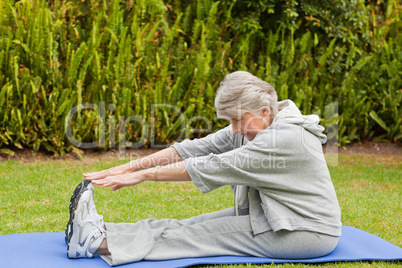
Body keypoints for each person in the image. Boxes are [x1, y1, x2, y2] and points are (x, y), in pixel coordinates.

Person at [65, 71, 342, 266]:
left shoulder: (283, 138)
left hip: (304, 231)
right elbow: (195, 148)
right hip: (275, 214)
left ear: (265, 111)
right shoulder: (257, 121)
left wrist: (143, 175)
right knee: (190, 224)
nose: (233, 130)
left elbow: (214, 165)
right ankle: (104, 231)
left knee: (194, 237)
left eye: (237, 120)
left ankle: (92, 244)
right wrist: (126, 167)